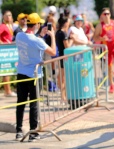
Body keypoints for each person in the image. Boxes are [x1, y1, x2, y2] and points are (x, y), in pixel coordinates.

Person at [15, 13, 57, 142]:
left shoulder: (19, 35)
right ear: (37, 24)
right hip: (34, 74)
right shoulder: (37, 41)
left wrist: (41, 36)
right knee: (34, 104)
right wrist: (53, 37)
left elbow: (30, 41)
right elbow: (53, 52)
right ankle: (33, 133)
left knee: (21, 103)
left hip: (21, 72)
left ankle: (19, 131)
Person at [93, 8, 114, 93]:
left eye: (108, 14)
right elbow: (95, 37)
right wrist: (101, 38)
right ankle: (112, 84)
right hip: (106, 49)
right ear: (101, 16)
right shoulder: (100, 26)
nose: (107, 15)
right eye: (104, 14)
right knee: (109, 68)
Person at [55, 15, 73, 101]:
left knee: (60, 77)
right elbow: (67, 46)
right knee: (63, 78)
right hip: (64, 57)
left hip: (60, 56)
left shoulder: (58, 32)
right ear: (65, 23)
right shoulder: (63, 33)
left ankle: (62, 95)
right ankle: (63, 96)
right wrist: (72, 39)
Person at [0, 10, 17, 97]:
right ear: (3, 17)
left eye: (10, 15)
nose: (8, 17)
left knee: (9, 71)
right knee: (6, 71)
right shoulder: (3, 26)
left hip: (10, 51)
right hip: (4, 51)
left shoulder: (10, 26)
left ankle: (8, 90)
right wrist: (2, 43)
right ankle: (8, 91)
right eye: (6, 15)